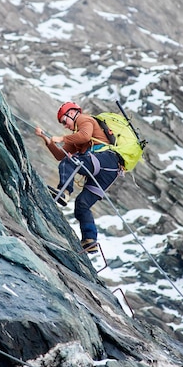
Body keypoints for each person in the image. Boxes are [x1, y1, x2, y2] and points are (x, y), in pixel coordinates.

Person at [35, 102, 122, 253]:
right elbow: (60, 155)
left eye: (64, 121)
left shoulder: (84, 119)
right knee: (82, 204)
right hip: (109, 171)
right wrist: (47, 140)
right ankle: (90, 241)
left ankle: (64, 192)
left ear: (72, 113)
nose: (65, 125)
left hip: (105, 159)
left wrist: (61, 138)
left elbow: (85, 135)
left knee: (69, 162)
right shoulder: (76, 139)